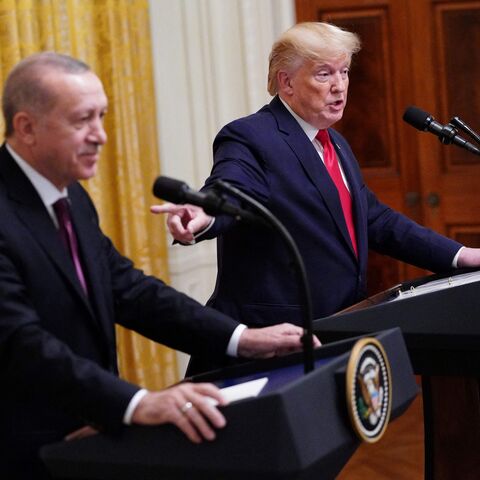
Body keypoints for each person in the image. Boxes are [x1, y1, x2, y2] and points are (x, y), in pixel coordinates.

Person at [0, 52, 314, 480]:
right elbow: (19, 342)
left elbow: (128, 290)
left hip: (85, 434)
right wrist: (136, 403)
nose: (101, 136)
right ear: (26, 127)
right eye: (82, 120)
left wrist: (242, 338)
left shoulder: (70, 195)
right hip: (22, 447)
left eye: (103, 116)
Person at [152, 22, 480, 374]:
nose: (339, 86)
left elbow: (373, 219)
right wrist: (204, 213)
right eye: (324, 74)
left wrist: (460, 255)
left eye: (344, 72)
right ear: (287, 82)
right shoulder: (251, 136)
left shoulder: (334, 143)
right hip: (270, 345)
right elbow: (233, 188)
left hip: (335, 332)